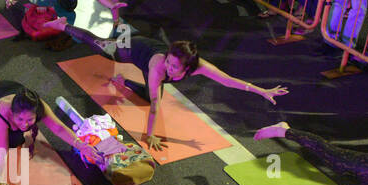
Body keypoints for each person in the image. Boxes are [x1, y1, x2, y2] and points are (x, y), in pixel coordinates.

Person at [54, 27, 288, 152]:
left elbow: (227, 80)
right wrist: (150, 135)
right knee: (101, 46)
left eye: (174, 66)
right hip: (137, 49)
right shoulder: (159, 67)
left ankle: (125, 83)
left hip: (152, 67)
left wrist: (261, 91)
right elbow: (156, 106)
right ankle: (63, 25)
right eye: (169, 61)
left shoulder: (199, 66)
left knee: (146, 95)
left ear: (187, 67)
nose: (170, 67)